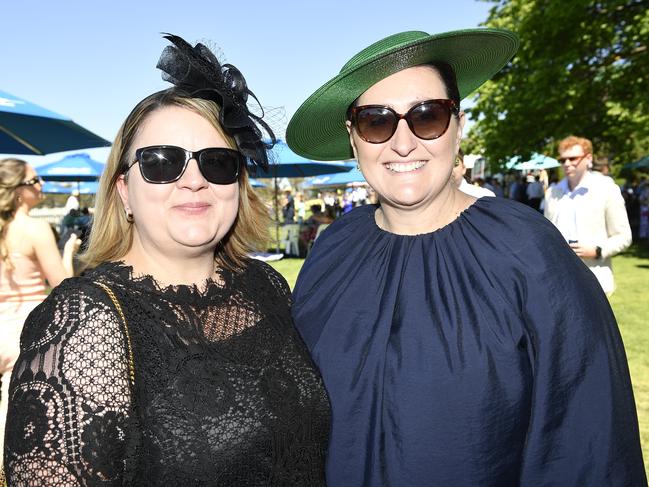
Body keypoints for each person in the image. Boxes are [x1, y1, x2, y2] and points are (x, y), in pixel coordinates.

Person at [286, 29, 646, 485]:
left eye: (427, 116)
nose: (402, 143)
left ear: (459, 125)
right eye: (377, 121)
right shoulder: (331, 252)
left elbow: (586, 439)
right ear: (354, 139)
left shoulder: (527, 250)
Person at [4, 34, 330, 486]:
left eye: (217, 162)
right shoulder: (85, 320)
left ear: (237, 182)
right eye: (162, 163)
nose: (193, 180)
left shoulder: (265, 284)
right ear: (124, 191)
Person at [0, 158, 79, 472]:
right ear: (18, 190)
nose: (41, 185)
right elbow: (64, 289)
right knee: (11, 423)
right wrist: (69, 253)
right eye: (35, 181)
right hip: (22, 334)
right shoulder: (34, 229)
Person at [544, 135, 632, 294]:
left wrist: (597, 250)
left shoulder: (606, 189)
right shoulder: (552, 193)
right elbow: (546, 234)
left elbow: (624, 236)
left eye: (573, 158)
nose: (567, 164)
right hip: (559, 279)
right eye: (563, 160)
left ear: (588, 158)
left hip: (594, 278)